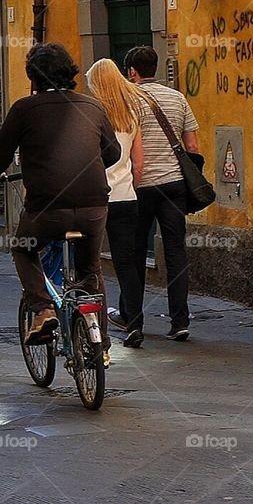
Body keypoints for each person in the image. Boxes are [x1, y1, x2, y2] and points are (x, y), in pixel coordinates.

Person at [0, 43, 120, 350]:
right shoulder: (93, 107)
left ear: (33, 77)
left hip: (47, 206)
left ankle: (43, 309)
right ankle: (102, 344)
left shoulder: (24, 109)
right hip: (94, 205)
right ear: (69, 72)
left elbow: (0, 153)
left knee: (23, 248)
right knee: (90, 269)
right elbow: (113, 153)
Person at [124, 45, 201, 342]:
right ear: (154, 67)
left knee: (133, 253)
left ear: (132, 71)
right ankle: (180, 320)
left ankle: (134, 322)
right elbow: (192, 146)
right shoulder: (178, 97)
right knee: (176, 252)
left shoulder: (129, 98)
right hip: (173, 185)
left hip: (139, 186)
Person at [86, 58, 148, 348]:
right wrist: (129, 188)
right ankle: (135, 323)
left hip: (95, 198)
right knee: (128, 264)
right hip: (126, 198)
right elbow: (139, 164)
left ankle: (93, 325)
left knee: (88, 263)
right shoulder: (131, 115)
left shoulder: (90, 114)